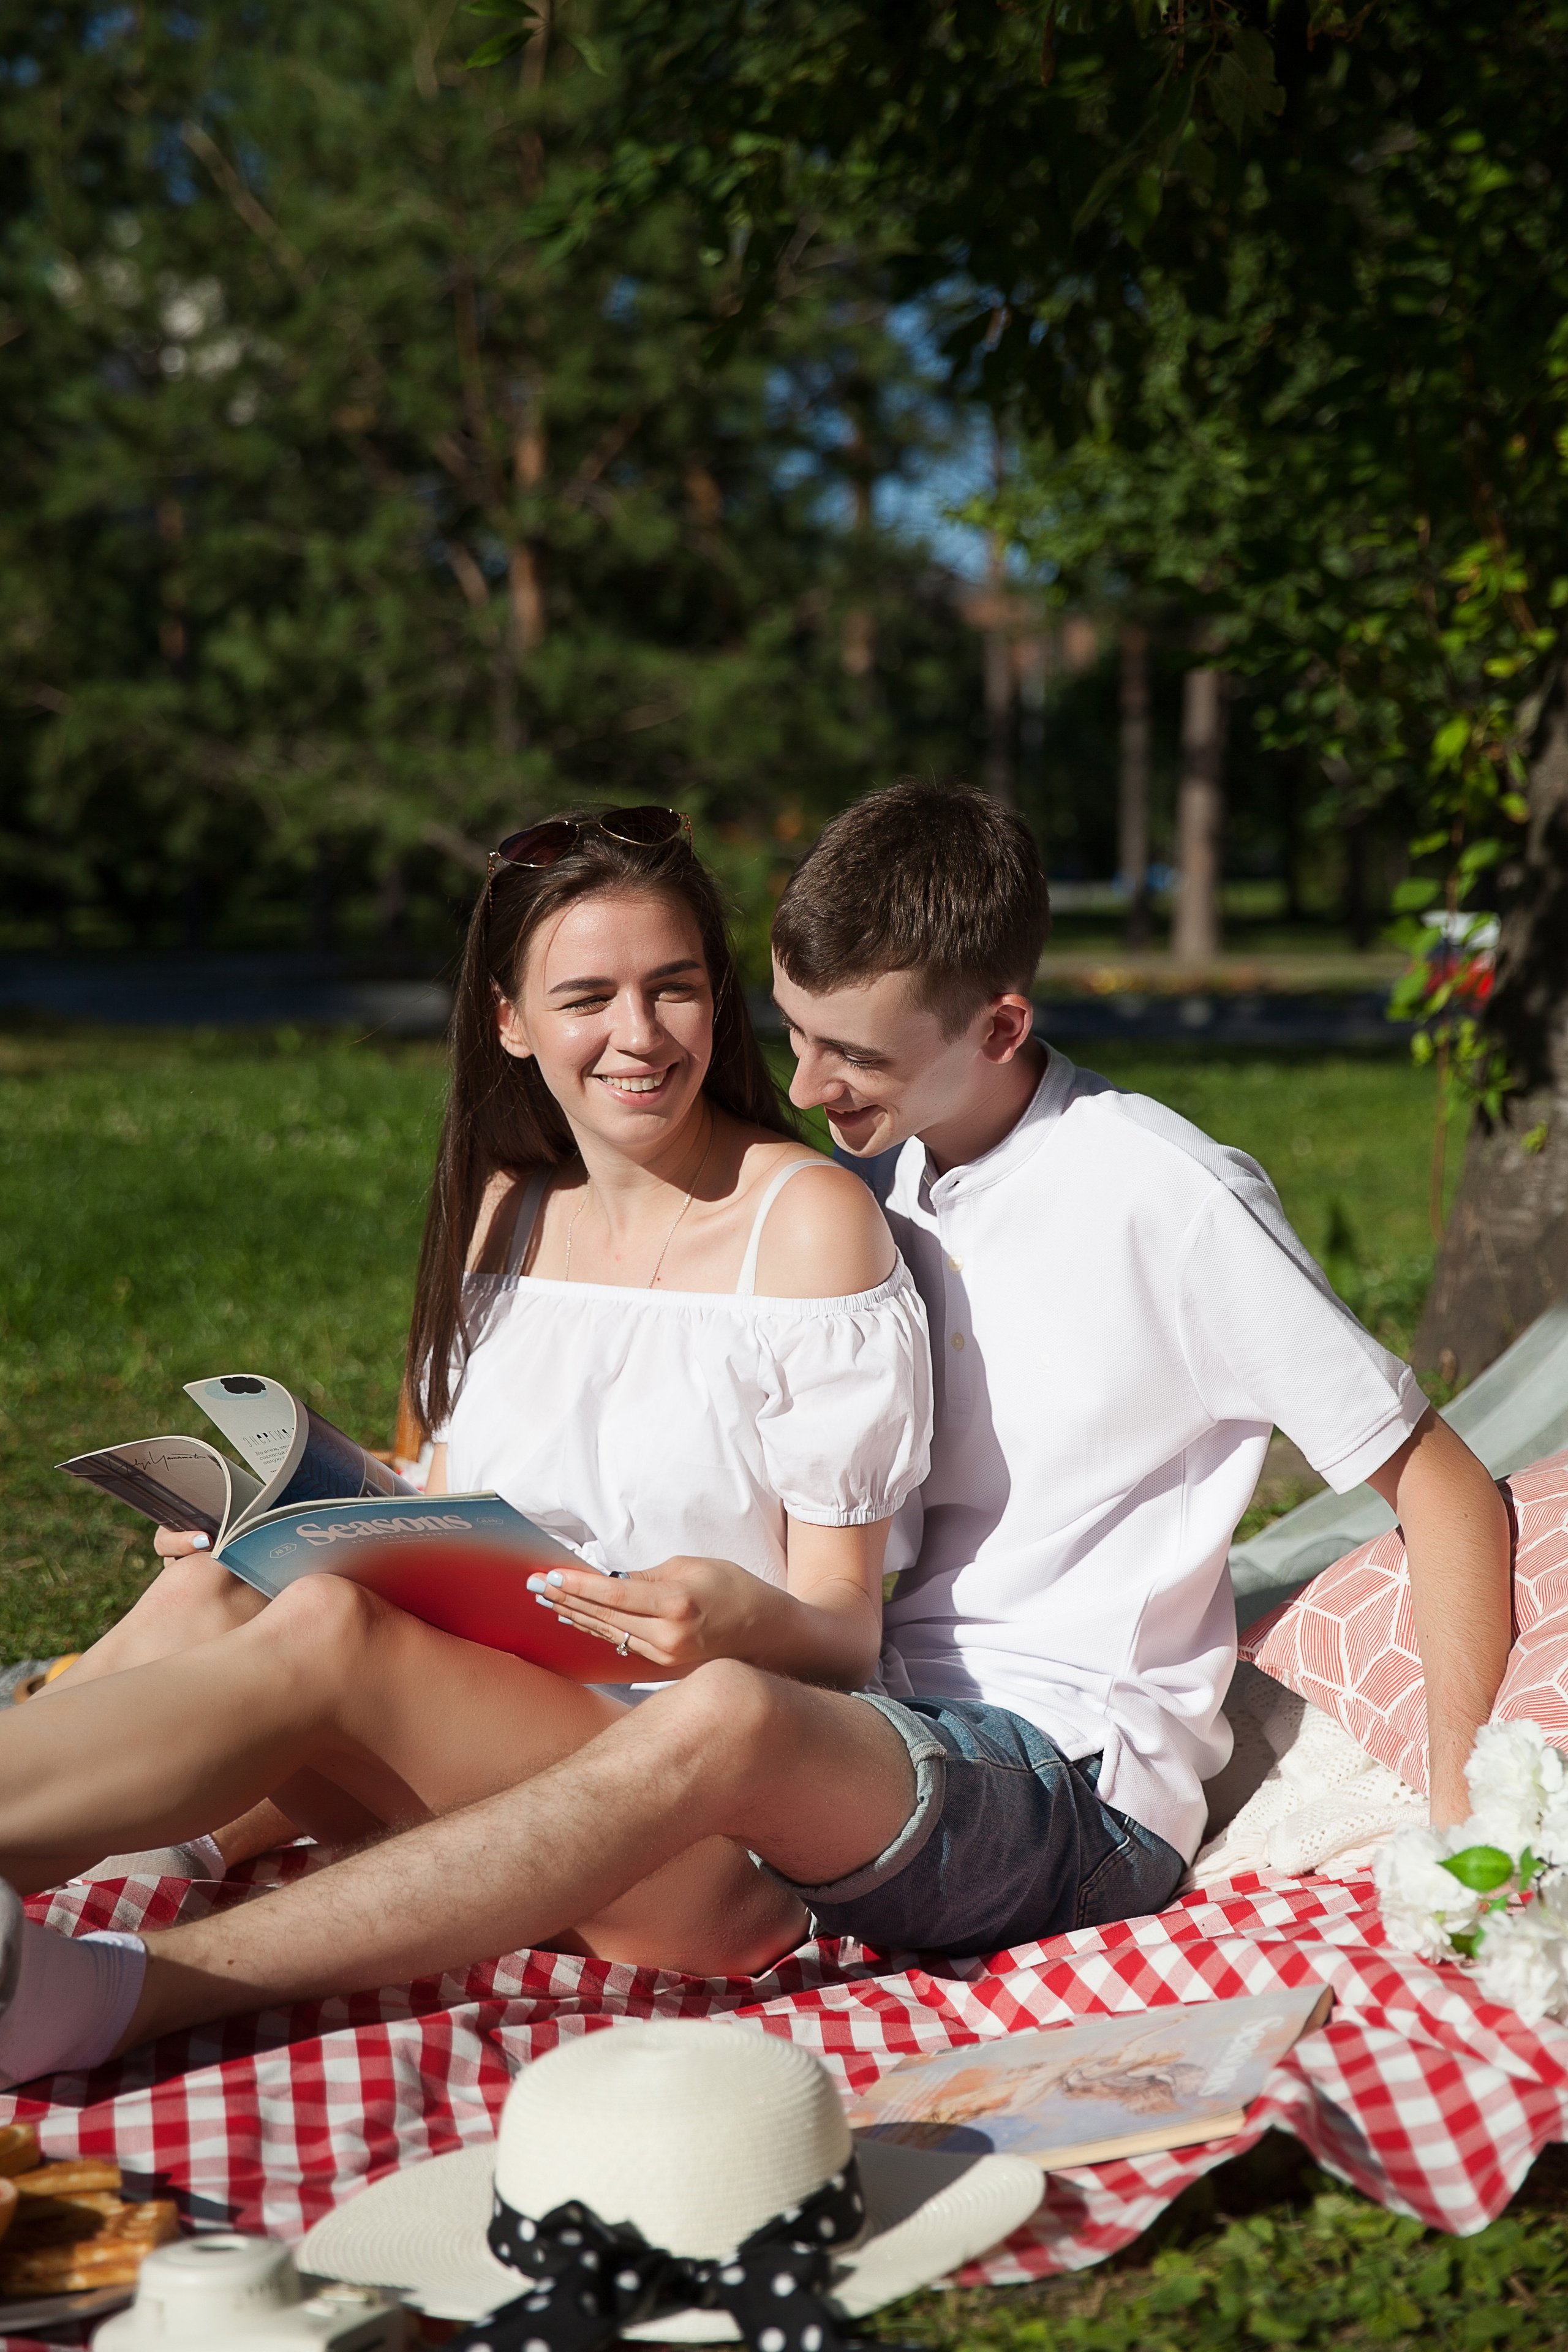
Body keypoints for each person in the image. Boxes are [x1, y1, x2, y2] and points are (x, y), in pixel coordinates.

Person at [0, 783, 1511, 2084]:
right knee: (239, 1596)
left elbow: (1439, 1488)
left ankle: (123, 1994)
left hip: (1063, 1773)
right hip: (873, 1746)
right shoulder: (907, 1162)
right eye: (789, 1034)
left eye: (843, 1056)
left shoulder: (1157, 1196)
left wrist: (1457, 1823)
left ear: (998, 1026)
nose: (797, 1089)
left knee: (702, 1713)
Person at [0, 805, 932, 2085]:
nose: (638, 1036)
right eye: (586, 996)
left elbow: (846, 1630)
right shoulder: (508, 1211)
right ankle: (78, 1787)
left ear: (716, 1000)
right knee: (226, 1577)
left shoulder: (807, 1222)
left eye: (672, 989)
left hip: (698, 1814)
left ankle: (90, 1818)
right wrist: (290, 1516)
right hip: (484, 1731)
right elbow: (444, 1510)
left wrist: (724, 1618)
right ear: (509, 1021)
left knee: (330, 1633)